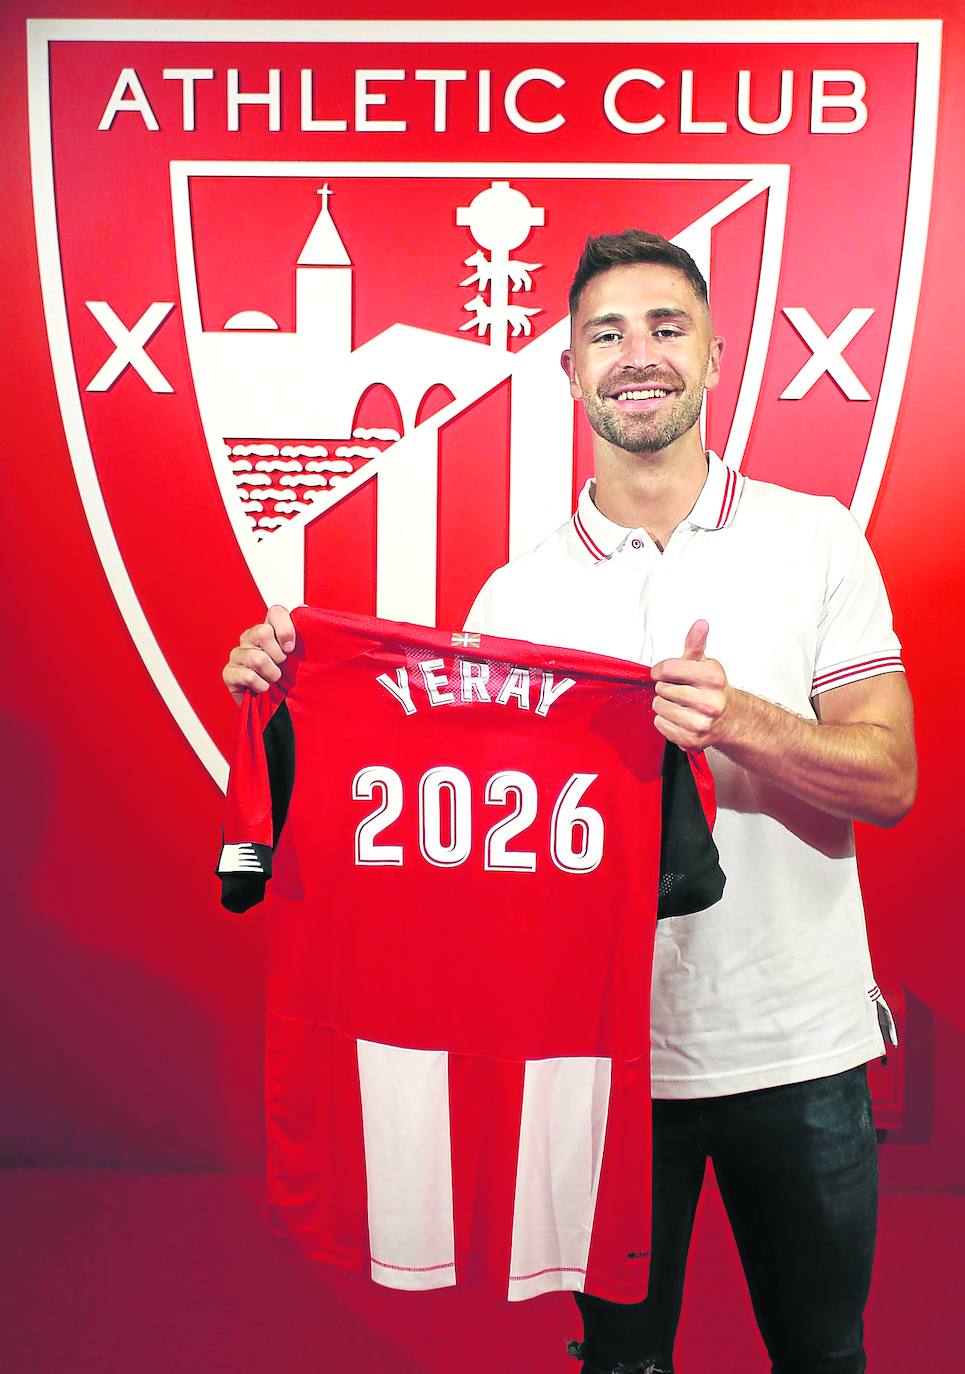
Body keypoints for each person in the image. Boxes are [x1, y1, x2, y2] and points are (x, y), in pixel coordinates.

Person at [222, 230, 916, 1374]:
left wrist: (733, 717)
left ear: (712, 354)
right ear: (568, 370)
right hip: (596, 1067)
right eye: (604, 333)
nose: (635, 353)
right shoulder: (518, 594)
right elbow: (445, 814)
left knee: (821, 1352)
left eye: (663, 326)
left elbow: (886, 780)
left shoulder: (815, 537)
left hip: (796, 1047)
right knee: (621, 1364)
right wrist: (287, 696)